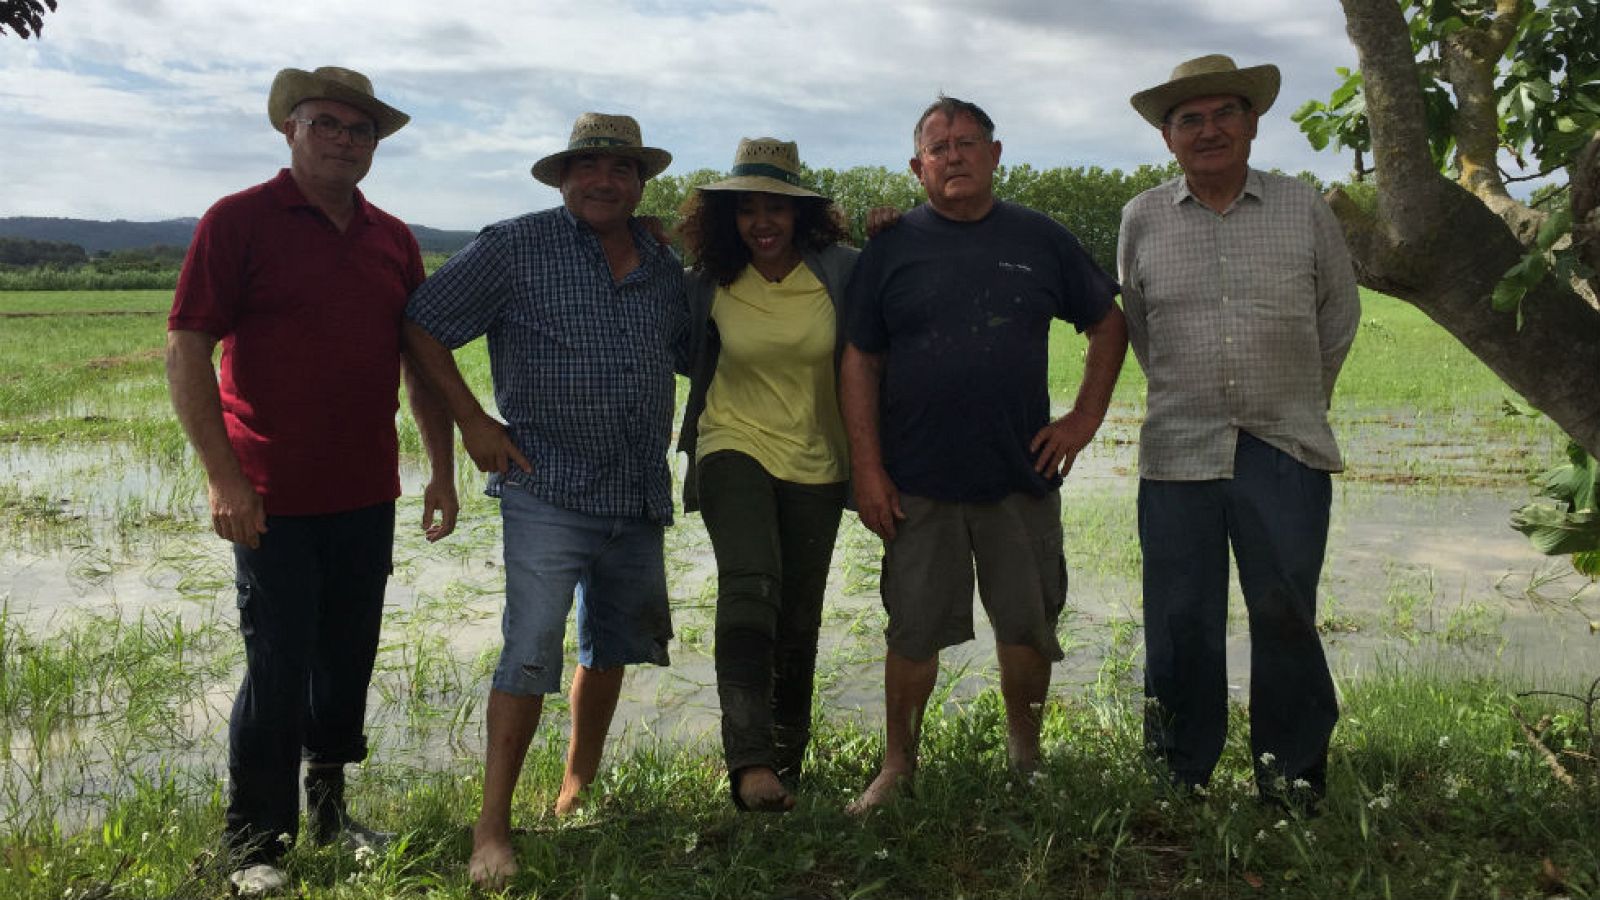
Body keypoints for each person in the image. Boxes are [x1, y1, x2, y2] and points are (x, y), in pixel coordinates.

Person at [166, 66, 458, 895]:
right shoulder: (238, 222)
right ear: (289, 130)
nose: (343, 140)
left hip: (366, 490)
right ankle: (255, 844)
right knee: (278, 664)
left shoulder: (392, 238)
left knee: (347, 657)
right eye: (326, 124)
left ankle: (330, 811)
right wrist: (225, 479)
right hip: (271, 496)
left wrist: (438, 469)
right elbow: (188, 348)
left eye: (359, 131)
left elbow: (419, 364)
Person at [401, 112, 688, 889]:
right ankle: (490, 828)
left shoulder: (662, 264)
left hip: (635, 489)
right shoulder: (513, 246)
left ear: (640, 183)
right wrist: (472, 421)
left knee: (614, 644)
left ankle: (576, 788)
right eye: (588, 167)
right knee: (530, 648)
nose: (605, 180)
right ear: (563, 178)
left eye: (622, 169)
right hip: (547, 487)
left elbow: (700, 347)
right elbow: (422, 325)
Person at [842, 97, 1128, 812]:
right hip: (917, 480)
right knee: (911, 630)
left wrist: (1085, 416)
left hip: (1018, 476)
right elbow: (860, 362)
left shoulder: (1040, 238)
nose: (955, 155)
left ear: (996, 155)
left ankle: (1026, 757)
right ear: (918, 167)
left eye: (969, 142)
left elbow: (1107, 323)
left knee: (1027, 624)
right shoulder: (890, 246)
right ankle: (897, 764)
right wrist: (868, 469)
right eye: (939, 147)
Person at [1119, 55, 1360, 807]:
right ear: (1168, 138)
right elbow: (1140, 329)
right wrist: (1193, 394)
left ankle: (1291, 779)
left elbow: (1339, 315)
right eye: (1189, 119)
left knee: (1285, 612)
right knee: (1180, 615)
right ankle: (1179, 771)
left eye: (1224, 113)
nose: (1209, 130)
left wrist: (1292, 399)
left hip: (1285, 446)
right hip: (1178, 448)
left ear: (1252, 123)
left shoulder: (1303, 207)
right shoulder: (1142, 217)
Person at [675, 137, 858, 812]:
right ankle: (749, 763)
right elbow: (665, 343)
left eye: (776, 208)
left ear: (802, 215)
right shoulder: (707, 283)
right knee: (752, 586)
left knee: (799, 616)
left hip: (820, 461)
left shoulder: (843, 273)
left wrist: (899, 230)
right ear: (727, 219)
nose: (762, 222)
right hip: (732, 445)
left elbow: (892, 318)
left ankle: (788, 763)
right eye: (747, 209)